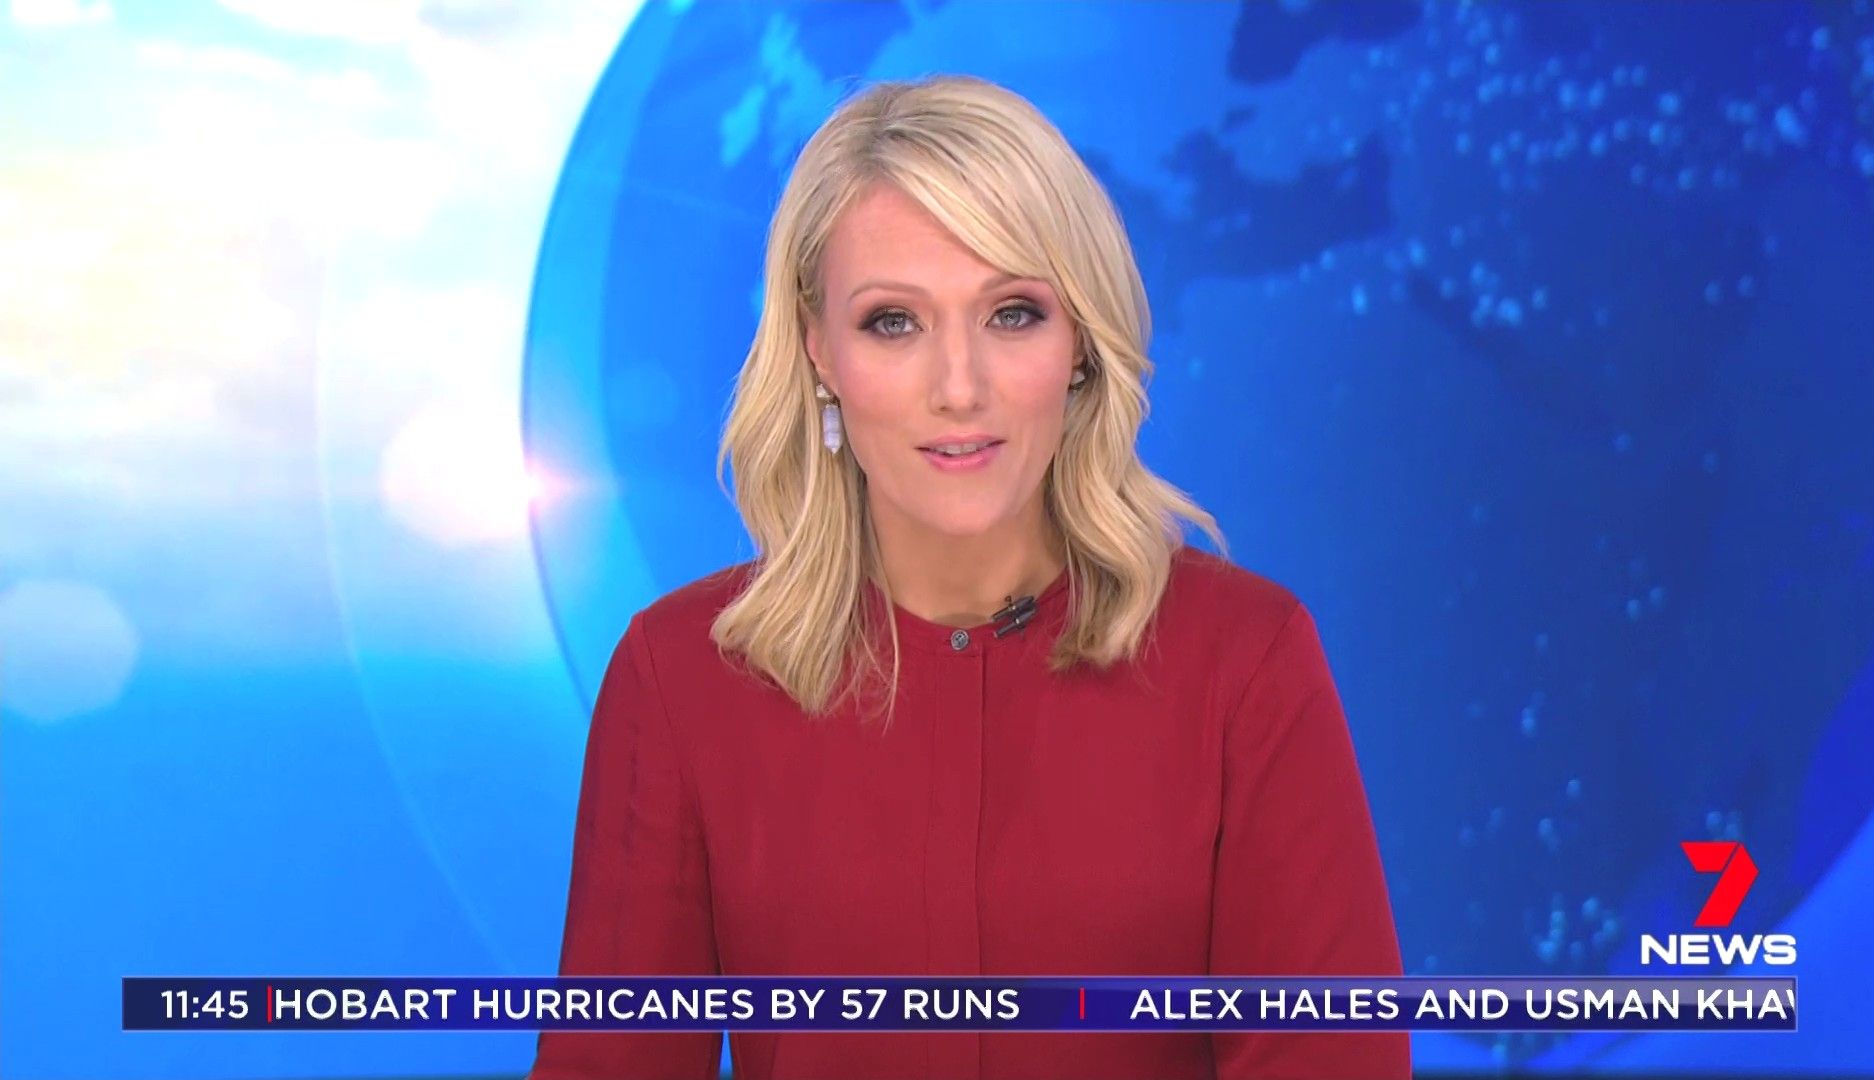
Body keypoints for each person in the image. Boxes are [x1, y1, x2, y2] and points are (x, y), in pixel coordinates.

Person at [528, 73, 1408, 1080]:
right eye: (893, 322)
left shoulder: (1244, 662)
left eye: (1013, 314)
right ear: (819, 349)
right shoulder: (681, 678)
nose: (959, 388)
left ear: (1080, 346)